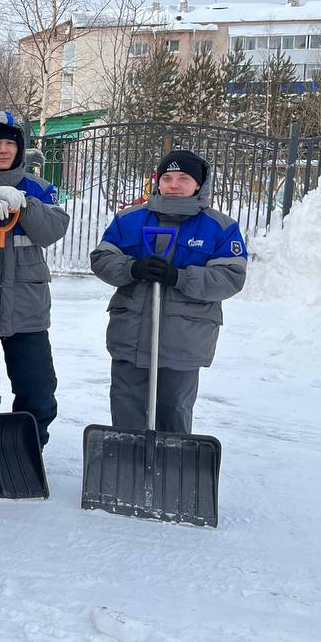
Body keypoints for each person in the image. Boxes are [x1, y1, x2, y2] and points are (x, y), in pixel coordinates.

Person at [90, 149, 247, 435]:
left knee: (174, 406)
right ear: (158, 182)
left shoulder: (220, 227)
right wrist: (132, 268)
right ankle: (127, 467)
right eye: (167, 178)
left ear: (198, 184)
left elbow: (230, 278)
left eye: (183, 178)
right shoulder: (129, 220)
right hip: (131, 333)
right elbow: (101, 259)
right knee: (127, 403)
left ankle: (172, 468)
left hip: (185, 338)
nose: (173, 184)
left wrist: (181, 277)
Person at [0, 110, 70, 448]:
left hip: (26, 304)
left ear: (19, 148)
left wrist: (27, 206)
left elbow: (53, 230)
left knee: (37, 384)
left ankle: (27, 449)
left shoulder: (39, 187)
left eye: (9, 143)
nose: (3, 150)